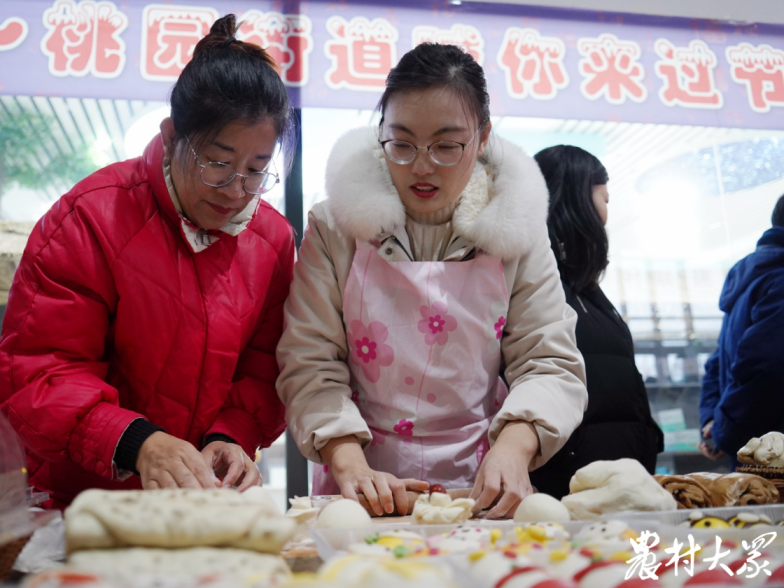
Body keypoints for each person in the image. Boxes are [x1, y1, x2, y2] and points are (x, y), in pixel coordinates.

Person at [276, 44, 587, 519]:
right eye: (401, 144)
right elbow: (309, 361)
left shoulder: (515, 228)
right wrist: (348, 462)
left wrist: (515, 447)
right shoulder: (335, 227)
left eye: (446, 145)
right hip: (363, 484)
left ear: (482, 138)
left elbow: (548, 361)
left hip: (482, 485)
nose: (421, 166)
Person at [0, 15, 295, 508]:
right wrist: (139, 443)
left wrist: (232, 434)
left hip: (199, 503)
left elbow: (267, 366)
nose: (235, 190)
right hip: (85, 502)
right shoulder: (91, 218)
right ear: (173, 135)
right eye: (218, 163)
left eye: (256, 170)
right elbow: (39, 372)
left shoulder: (272, 240)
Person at [529, 145, 664, 499]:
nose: (605, 214)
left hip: (611, 488)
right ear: (578, 200)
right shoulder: (539, 286)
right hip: (573, 493)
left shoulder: (583, 288)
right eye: (603, 199)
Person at [699, 194, 784, 468]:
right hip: (773, 454)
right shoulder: (779, 279)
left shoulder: (754, 278)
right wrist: (724, 430)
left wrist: (713, 421)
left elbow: (718, 363)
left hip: (754, 452)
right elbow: (765, 367)